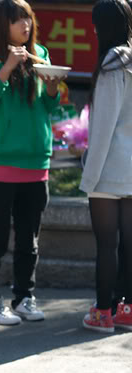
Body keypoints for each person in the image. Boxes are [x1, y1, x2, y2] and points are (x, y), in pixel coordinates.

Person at [0, 0, 61, 325]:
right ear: (0, 24)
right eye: (18, 19)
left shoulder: (41, 54)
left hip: (37, 161)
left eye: (28, 18)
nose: (26, 25)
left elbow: (49, 107)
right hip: (2, 162)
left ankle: (24, 297)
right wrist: (6, 68)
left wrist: (52, 90)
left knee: (29, 239)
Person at [79, 0, 132, 333]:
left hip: (110, 169)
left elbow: (103, 129)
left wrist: (89, 175)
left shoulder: (113, 63)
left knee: (106, 245)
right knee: (128, 244)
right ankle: (125, 309)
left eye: (96, 24)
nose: (94, 30)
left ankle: (102, 312)